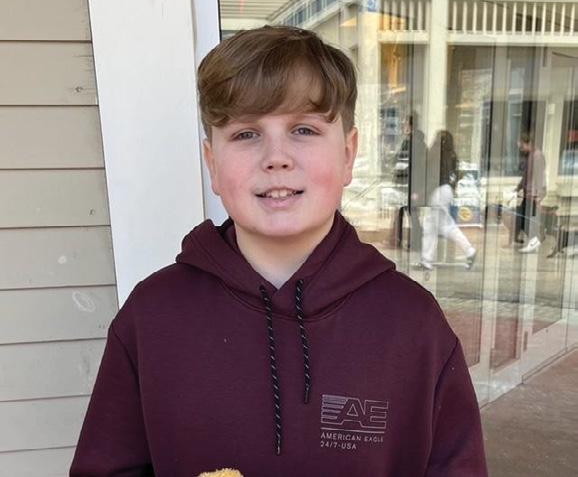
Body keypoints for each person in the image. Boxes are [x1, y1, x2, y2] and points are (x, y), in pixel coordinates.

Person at [70, 26, 487, 476]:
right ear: (212, 164)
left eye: (304, 129)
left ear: (348, 155)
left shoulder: (412, 324)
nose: (276, 157)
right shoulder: (152, 317)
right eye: (246, 134)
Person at [420, 130, 477, 271]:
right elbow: (456, 175)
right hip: (447, 190)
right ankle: (426, 260)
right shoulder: (452, 155)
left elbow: (431, 176)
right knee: (431, 226)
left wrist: (423, 192)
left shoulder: (436, 155)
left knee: (444, 226)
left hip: (438, 192)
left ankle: (469, 250)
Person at [392, 111, 427, 251]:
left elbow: (407, 162)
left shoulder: (412, 142)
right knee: (405, 213)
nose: (404, 125)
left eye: (406, 122)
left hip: (409, 184)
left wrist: (416, 189)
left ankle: (412, 242)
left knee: (411, 214)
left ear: (411, 125)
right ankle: (400, 240)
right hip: (409, 184)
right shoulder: (417, 141)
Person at [514, 132, 547, 253]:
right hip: (528, 192)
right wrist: (518, 187)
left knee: (527, 219)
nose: (521, 149)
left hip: (533, 193)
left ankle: (536, 239)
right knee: (522, 218)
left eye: (522, 146)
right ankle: (535, 239)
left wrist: (539, 195)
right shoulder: (531, 155)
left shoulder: (537, 156)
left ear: (528, 143)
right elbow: (526, 175)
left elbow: (539, 177)